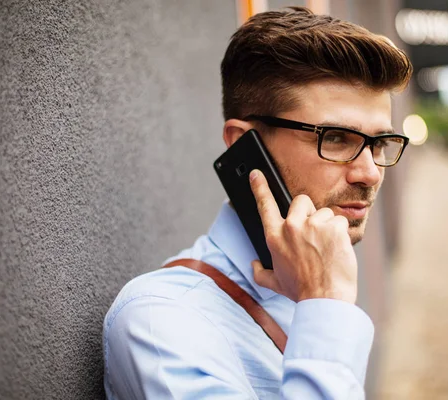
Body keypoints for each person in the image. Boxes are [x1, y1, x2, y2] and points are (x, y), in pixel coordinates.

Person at [103, 7, 412, 399]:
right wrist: (327, 304)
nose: (369, 173)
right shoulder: (162, 322)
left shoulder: (317, 284)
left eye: (380, 143)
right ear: (243, 145)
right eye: (335, 138)